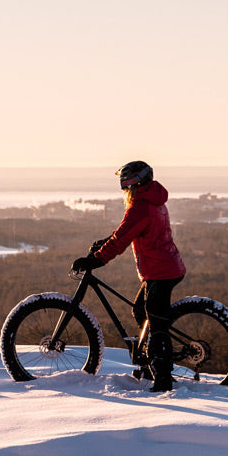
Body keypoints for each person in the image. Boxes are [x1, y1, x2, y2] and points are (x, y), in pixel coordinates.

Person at [72, 161, 186, 392]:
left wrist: (96, 259)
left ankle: (163, 378)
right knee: (139, 310)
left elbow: (121, 240)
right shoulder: (152, 200)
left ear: (135, 181)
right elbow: (125, 232)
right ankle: (147, 362)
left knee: (156, 323)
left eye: (125, 181)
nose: (123, 186)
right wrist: (104, 243)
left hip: (161, 272)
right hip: (164, 267)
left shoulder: (141, 206)